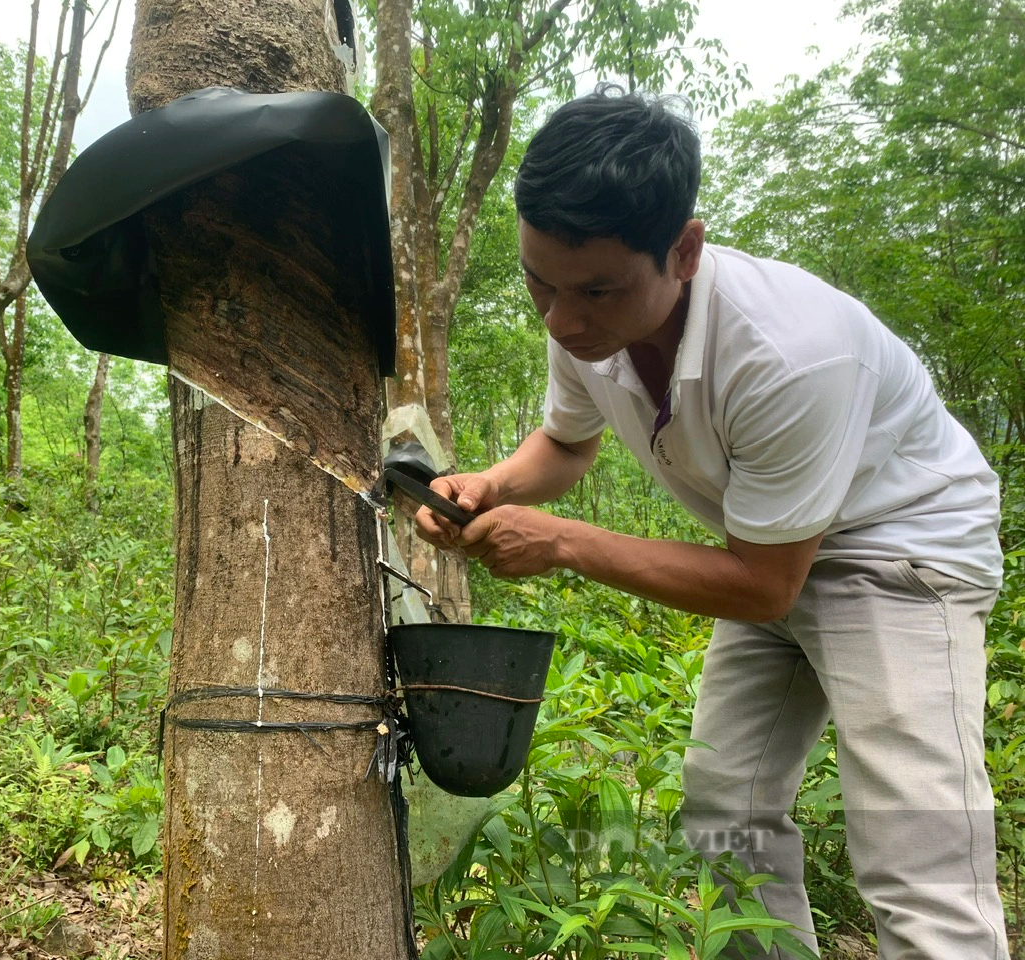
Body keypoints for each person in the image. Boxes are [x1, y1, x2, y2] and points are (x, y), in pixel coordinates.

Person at [414, 86, 1009, 960]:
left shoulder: (789, 354)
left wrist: (568, 544)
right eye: (539, 281)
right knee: (728, 803)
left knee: (915, 851)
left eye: (595, 291)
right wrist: (493, 487)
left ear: (683, 250)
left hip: (898, 554)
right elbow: (566, 443)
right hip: (767, 546)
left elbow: (767, 588)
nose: (562, 318)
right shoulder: (579, 315)